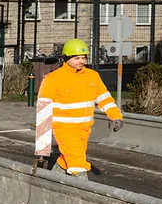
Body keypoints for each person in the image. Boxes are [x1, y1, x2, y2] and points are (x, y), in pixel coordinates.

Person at [36, 39, 123, 176]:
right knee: (78, 163)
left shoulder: (92, 76)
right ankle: (82, 194)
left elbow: (104, 99)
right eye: (77, 58)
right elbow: (43, 110)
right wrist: (42, 147)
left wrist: (116, 116)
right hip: (64, 129)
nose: (81, 61)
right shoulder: (53, 79)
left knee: (69, 158)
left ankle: (54, 180)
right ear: (66, 58)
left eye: (83, 58)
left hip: (84, 129)